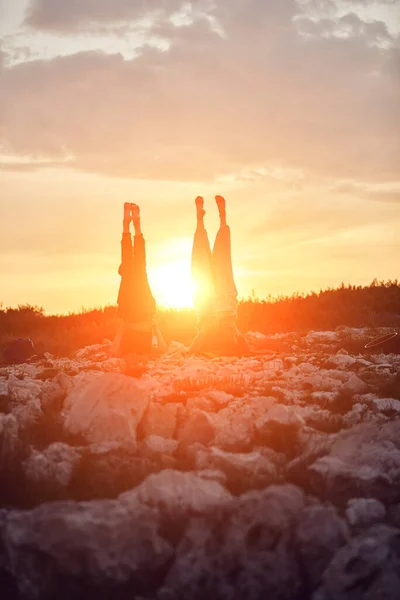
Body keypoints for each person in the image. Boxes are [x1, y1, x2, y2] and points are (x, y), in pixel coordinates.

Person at [190, 195, 249, 355]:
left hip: (212, 309)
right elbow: (243, 343)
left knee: (205, 265)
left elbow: (196, 344)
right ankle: (219, 219)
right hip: (222, 309)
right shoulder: (229, 339)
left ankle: (203, 221)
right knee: (212, 263)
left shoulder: (209, 340)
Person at [111, 203, 166, 357]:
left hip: (140, 310)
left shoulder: (144, 348)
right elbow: (114, 352)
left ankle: (135, 226)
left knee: (138, 267)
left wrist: (153, 325)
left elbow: (162, 348)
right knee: (131, 267)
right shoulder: (138, 348)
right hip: (135, 310)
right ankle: (129, 226)